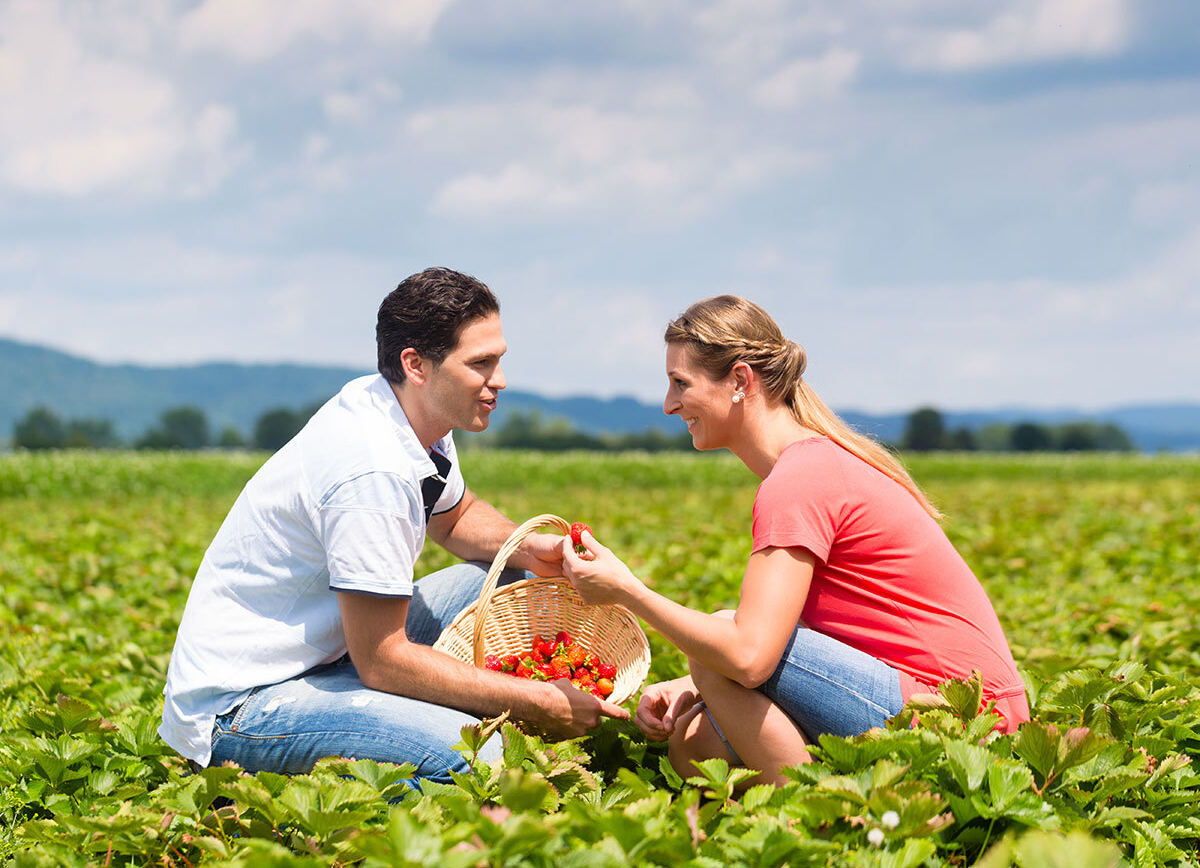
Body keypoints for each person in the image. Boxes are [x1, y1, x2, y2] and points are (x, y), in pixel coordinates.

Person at [159, 267, 627, 782]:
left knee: (514, 574)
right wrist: (534, 698)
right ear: (416, 364)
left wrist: (535, 549)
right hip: (248, 702)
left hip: (335, 654)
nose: (500, 379)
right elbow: (382, 661)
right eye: (481, 363)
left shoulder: (410, 414)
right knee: (478, 763)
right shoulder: (370, 470)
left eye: (499, 359)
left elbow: (457, 518)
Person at [561, 295, 1028, 785]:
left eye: (681, 383)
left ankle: (824, 825)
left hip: (965, 718)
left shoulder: (798, 479)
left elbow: (749, 654)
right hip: (958, 705)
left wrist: (628, 592)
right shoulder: (814, 464)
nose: (669, 404)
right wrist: (690, 684)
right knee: (696, 740)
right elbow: (811, 633)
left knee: (720, 646)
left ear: (740, 381)